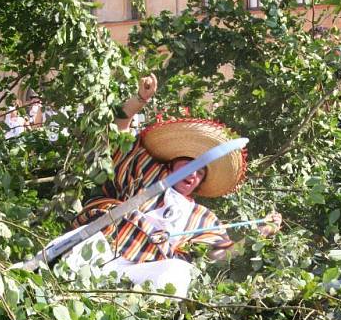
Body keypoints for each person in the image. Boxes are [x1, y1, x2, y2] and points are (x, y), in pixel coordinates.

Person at [68, 75, 281, 298]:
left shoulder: (202, 217)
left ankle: (147, 315)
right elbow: (118, 131)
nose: (193, 175)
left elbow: (219, 255)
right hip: (105, 244)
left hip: (140, 269)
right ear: (172, 163)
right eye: (190, 166)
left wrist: (260, 234)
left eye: (200, 172)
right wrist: (139, 99)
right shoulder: (147, 171)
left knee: (179, 272)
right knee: (73, 254)